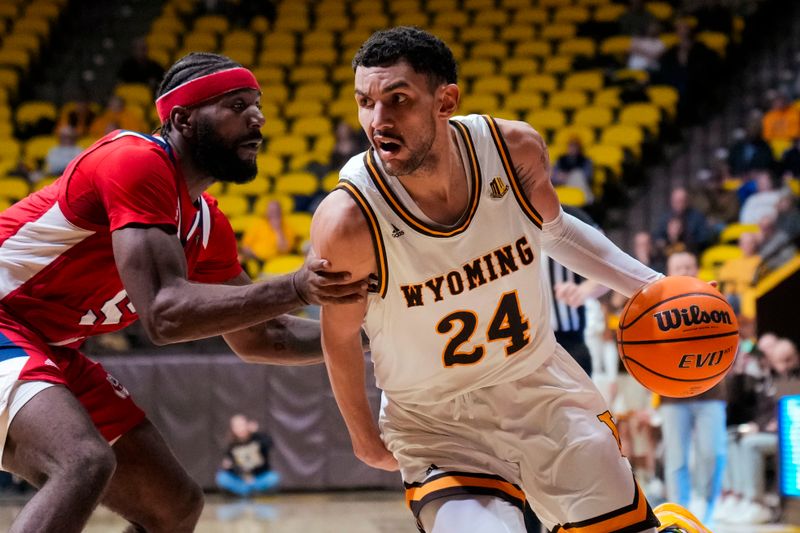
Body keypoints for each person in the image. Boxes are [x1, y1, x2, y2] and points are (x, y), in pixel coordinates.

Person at [310, 27, 709, 533]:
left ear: (445, 100)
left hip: (540, 387)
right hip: (435, 421)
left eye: (398, 99)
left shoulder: (512, 148)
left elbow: (557, 233)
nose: (378, 121)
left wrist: (652, 287)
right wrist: (364, 435)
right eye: (366, 102)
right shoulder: (348, 219)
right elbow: (340, 333)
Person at [0, 52, 366, 533]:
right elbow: (163, 313)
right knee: (83, 462)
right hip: (7, 322)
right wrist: (297, 285)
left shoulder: (207, 224)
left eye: (257, 105)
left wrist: (375, 336)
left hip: (49, 344)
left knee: (172, 507)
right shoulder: (134, 160)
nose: (256, 117)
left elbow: (262, 335)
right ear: (182, 119)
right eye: (237, 105)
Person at [658, 252, 727, 525]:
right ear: (669, 272)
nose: (684, 269)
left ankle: (705, 515)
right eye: (678, 267)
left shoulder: (714, 301)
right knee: (676, 461)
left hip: (712, 392)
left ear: (696, 269)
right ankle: (679, 518)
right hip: (672, 396)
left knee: (713, 453)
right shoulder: (658, 304)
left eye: (688, 265)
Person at [216, 414, 280, 497]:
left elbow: (269, 444)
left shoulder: (257, 438)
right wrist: (228, 467)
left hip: (258, 478)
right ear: (233, 429)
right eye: (237, 426)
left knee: (273, 478)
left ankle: (251, 492)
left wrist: (257, 433)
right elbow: (232, 466)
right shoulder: (231, 445)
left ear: (247, 425)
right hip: (242, 480)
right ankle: (246, 492)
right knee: (222, 478)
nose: (240, 429)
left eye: (242, 425)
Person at [239, 199, 297, 276]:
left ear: (280, 212)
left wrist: (278, 230)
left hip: (278, 262)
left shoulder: (287, 227)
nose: (273, 213)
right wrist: (255, 255)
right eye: (271, 210)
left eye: (276, 211)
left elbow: (284, 249)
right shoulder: (257, 225)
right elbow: (245, 247)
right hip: (256, 260)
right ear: (266, 211)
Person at [552, 137, 594, 205]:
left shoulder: (585, 160)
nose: (572, 149)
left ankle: (584, 199)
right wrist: (561, 177)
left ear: (579, 148)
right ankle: (588, 199)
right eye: (570, 146)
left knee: (577, 174)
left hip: (577, 182)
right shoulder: (560, 159)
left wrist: (569, 175)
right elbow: (554, 177)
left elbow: (588, 176)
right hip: (562, 184)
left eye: (575, 147)